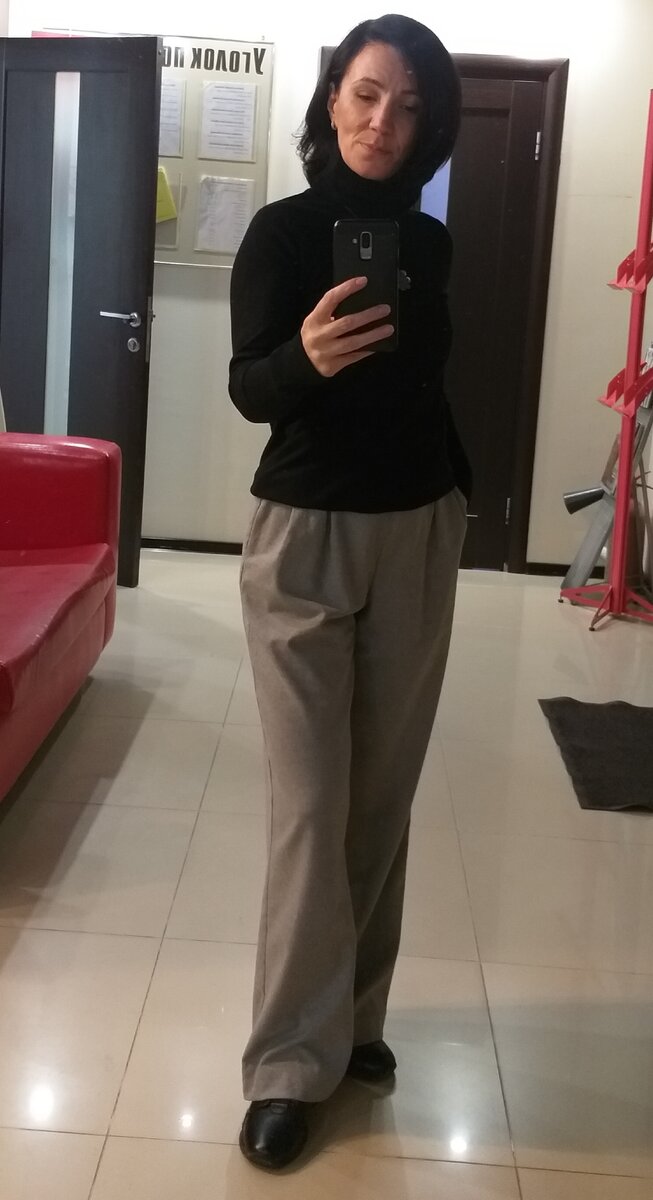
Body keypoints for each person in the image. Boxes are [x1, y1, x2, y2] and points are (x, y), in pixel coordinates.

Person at [228, 13, 471, 1171]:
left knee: (379, 796)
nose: (384, 120)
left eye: (409, 106)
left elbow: (423, 381)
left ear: (429, 127)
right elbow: (248, 388)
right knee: (312, 804)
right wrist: (304, 361)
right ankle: (287, 1064)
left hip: (416, 532)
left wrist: (455, 490)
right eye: (367, 94)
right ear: (332, 99)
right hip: (304, 538)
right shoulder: (280, 232)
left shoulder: (428, 243)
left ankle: (355, 1023)